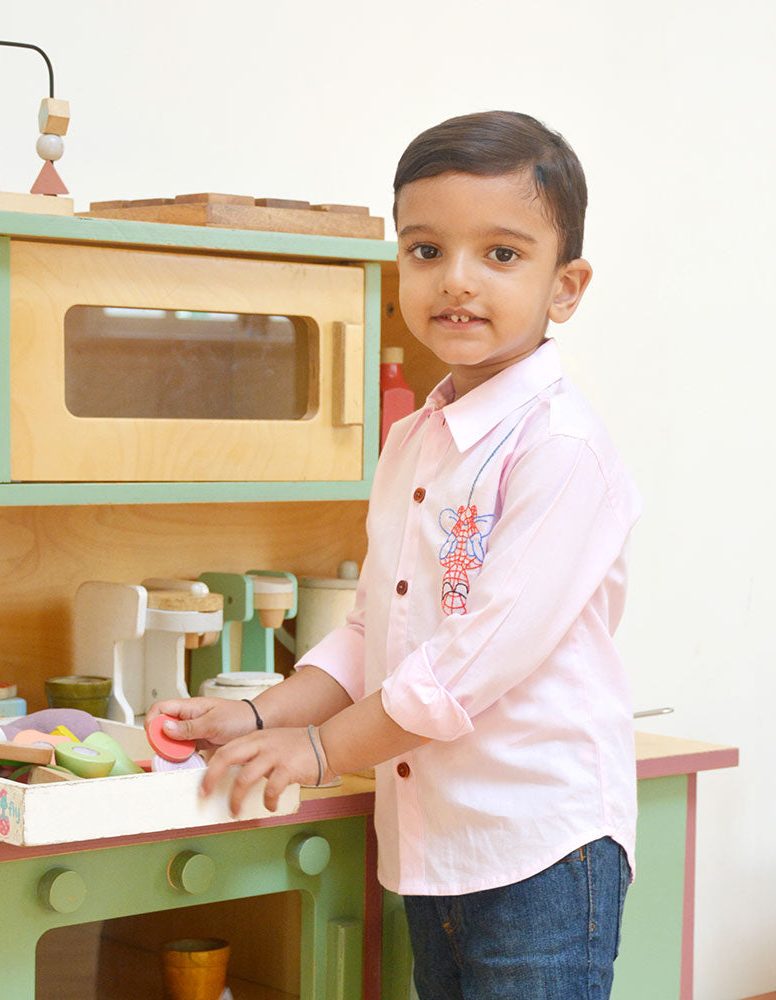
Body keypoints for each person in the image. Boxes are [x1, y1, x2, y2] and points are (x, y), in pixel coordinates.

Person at [149, 110, 642, 1000]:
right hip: (435, 843)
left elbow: (461, 669)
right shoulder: (414, 440)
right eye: (425, 250)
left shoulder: (561, 450)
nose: (456, 281)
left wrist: (319, 749)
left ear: (565, 287)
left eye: (501, 254)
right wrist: (266, 717)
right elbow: (376, 628)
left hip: (541, 845)